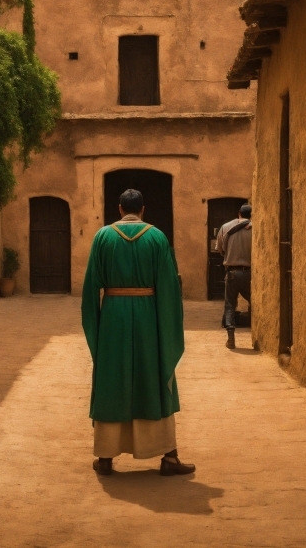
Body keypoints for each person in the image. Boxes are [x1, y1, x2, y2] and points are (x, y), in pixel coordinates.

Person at [81, 188, 195, 477]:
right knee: (155, 375)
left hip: (113, 317)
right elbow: (169, 290)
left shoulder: (102, 237)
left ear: (119, 209)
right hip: (147, 317)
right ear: (143, 210)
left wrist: (96, 330)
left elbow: (91, 287)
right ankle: (169, 457)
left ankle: (105, 457)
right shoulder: (157, 238)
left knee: (111, 377)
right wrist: (166, 331)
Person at [215, 203, 252, 350]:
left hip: (232, 272)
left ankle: (231, 338)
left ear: (239, 213)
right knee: (255, 302)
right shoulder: (255, 227)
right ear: (251, 215)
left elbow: (220, 249)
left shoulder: (225, 227)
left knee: (230, 304)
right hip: (250, 272)